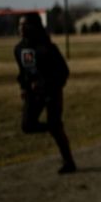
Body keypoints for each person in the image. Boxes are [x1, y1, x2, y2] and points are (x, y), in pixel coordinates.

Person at [14, 12, 76, 174]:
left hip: (52, 92)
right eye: (20, 25)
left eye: (25, 24)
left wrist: (47, 84)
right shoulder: (20, 49)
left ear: (35, 27)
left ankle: (69, 162)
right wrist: (23, 86)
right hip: (33, 94)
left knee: (55, 127)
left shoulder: (48, 48)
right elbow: (23, 72)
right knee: (27, 125)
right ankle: (54, 127)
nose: (21, 28)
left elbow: (63, 71)